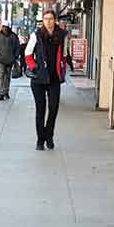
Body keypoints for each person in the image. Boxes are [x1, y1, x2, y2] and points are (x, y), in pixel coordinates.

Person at [24, 10, 69, 151]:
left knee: (54, 108)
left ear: (55, 20)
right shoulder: (36, 35)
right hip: (39, 78)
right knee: (40, 109)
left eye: (51, 19)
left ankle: (49, 136)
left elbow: (65, 54)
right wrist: (34, 67)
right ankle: (40, 140)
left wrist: (63, 68)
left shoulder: (62, 35)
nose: (48, 21)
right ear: (42, 20)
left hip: (54, 78)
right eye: (45, 19)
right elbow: (28, 54)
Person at [0, 24, 17, 101]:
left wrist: (15, 57)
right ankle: (1, 93)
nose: (4, 28)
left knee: (7, 77)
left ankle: (6, 92)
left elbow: (17, 47)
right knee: (1, 76)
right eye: (3, 27)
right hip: (1, 61)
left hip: (10, 61)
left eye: (6, 27)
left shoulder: (13, 36)